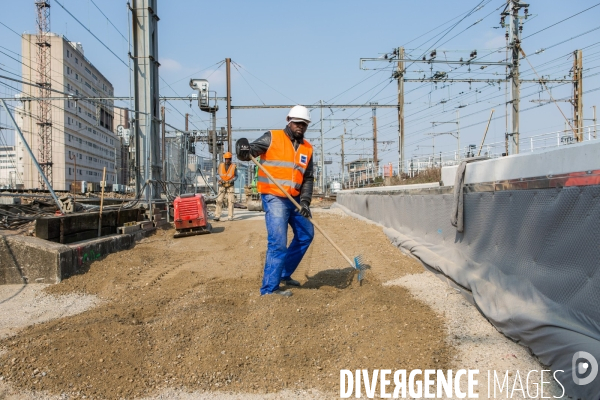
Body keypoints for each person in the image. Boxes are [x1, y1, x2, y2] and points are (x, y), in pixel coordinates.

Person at [236, 105, 314, 297]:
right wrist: (242, 150)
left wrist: (305, 201)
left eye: (304, 124)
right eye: (297, 123)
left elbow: (308, 177)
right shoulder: (272, 137)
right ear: (289, 120)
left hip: (294, 199)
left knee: (306, 234)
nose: (300, 127)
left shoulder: (308, 148)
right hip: (274, 196)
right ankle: (269, 290)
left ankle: (284, 273)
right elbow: (249, 153)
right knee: (278, 243)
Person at [214, 152, 238, 221]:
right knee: (219, 200)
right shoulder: (220, 165)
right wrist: (220, 179)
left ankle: (230, 216)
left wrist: (232, 180)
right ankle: (217, 215)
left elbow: (236, 176)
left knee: (230, 201)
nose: (227, 160)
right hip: (222, 185)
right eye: (226, 159)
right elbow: (217, 174)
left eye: (228, 159)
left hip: (230, 185)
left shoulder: (234, 166)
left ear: (230, 159)